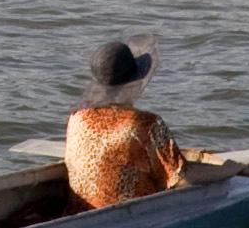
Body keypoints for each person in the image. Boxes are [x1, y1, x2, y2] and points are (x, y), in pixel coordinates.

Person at [61, 37, 217, 209]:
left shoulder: (77, 117)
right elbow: (183, 179)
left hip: (80, 209)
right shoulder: (145, 123)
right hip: (128, 212)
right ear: (134, 81)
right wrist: (230, 169)